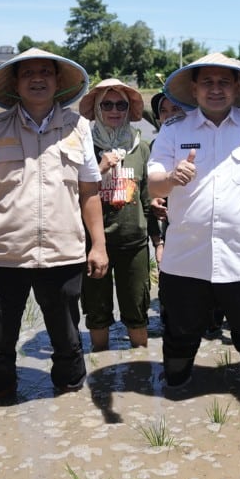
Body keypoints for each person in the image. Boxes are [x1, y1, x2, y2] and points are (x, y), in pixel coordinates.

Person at [0, 48, 108, 404]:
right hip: (3, 256)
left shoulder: (79, 128)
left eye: (45, 72)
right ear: (16, 84)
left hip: (62, 254)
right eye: (28, 74)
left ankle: (70, 407)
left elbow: (89, 191)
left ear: (57, 82)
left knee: (68, 341)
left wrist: (97, 245)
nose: (37, 78)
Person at [147, 53, 240, 391]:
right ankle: (177, 393)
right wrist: (172, 178)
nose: (215, 89)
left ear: (236, 88)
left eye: (224, 81)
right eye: (207, 82)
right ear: (193, 89)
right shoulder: (173, 129)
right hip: (186, 258)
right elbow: (154, 183)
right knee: (179, 337)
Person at [77, 79, 151, 351]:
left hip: (134, 243)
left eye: (121, 104)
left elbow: (146, 198)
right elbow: (73, 195)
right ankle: (101, 363)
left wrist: (158, 241)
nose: (114, 110)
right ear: (96, 109)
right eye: (107, 104)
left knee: (137, 307)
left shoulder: (140, 148)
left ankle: (140, 366)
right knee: (97, 311)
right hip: (94, 245)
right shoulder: (84, 148)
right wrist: (101, 168)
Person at [147, 91, 185, 266]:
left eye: (175, 109)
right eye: (163, 111)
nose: (169, 115)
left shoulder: (199, 141)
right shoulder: (155, 147)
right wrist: (159, 243)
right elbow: (151, 194)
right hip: (171, 229)